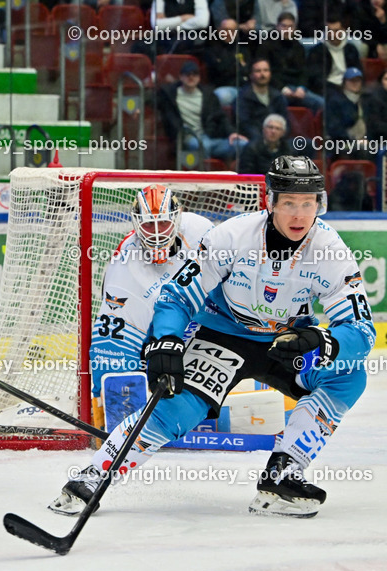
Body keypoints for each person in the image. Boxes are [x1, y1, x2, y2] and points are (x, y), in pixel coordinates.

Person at [51, 156, 374, 519]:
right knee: (176, 409)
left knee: (349, 374)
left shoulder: (331, 251)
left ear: (320, 205)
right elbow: (178, 295)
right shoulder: (231, 235)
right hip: (223, 335)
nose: (299, 215)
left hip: (286, 342)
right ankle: (93, 476)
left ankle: (283, 475)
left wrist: (322, 341)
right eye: (288, 203)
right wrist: (167, 341)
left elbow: (361, 330)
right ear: (270, 202)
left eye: (307, 203)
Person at [87, 185, 214, 426]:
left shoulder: (202, 231)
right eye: (148, 225)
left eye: (163, 224)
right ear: (136, 225)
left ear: (177, 218)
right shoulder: (125, 267)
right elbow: (110, 346)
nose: (156, 234)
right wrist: (110, 405)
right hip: (154, 336)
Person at [158, 60, 246, 162]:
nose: (191, 77)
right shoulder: (170, 95)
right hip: (188, 138)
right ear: (181, 76)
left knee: (242, 145)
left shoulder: (208, 95)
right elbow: (151, 100)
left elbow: (221, 117)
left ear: (199, 77)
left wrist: (231, 133)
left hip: (210, 138)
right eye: (187, 74)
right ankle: (209, 176)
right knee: (203, 145)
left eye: (194, 74)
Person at [236, 58, 290, 142]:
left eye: (266, 70)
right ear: (251, 75)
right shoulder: (243, 97)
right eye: (258, 71)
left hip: (278, 140)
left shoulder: (278, 96)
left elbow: (285, 121)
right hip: (254, 140)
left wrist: (278, 137)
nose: (262, 74)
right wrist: (263, 139)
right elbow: (244, 124)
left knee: (308, 145)